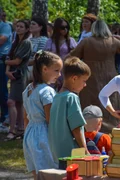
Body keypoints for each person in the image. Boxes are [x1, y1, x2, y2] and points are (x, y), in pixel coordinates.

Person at [68, 20, 120, 133]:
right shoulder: (113, 41)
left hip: (90, 78)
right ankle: (112, 132)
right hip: (110, 77)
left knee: (90, 104)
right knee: (111, 104)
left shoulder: (86, 41)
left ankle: (89, 130)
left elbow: (73, 55)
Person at [23, 51, 62, 179]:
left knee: (37, 173)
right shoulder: (47, 91)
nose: (59, 74)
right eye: (56, 70)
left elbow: (25, 118)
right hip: (44, 136)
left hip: (30, 135)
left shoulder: (28, 89)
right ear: (45, 69)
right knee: (50, 172)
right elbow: (50, 119)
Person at [48, 57, 90, 164]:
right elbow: (76, 128)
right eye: (84, 81)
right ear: (74, 78)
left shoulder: (57, 97)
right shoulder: (71, 98)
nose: (85, 85)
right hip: (72, 154)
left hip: (57, 153)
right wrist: (85, 150)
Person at [5, 19, 32, 140]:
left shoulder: (26, 43)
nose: (19, 28)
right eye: (18, 26)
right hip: (14, 74)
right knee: (19, 103)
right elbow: (10, 57)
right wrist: (7, 70)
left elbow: (17, 61)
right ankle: (21, 129)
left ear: (27, 29)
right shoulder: (16, 41)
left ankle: (12, 130)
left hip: (21, 75)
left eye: (22, 27)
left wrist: (5, 62)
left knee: (11, 101)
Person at [0, 8, 12, 132]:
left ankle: (5, 119)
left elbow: (2, 40)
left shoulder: (5, 26)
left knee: (2, 90)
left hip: (1, 62)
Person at [28, 17, 48, 81]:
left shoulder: (43, 40)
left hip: (34, 69)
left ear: (40, 27)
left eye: (33, 24)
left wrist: (24, 64)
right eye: (30, 24)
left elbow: (39, 56)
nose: (31, 26)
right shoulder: (29, 39)